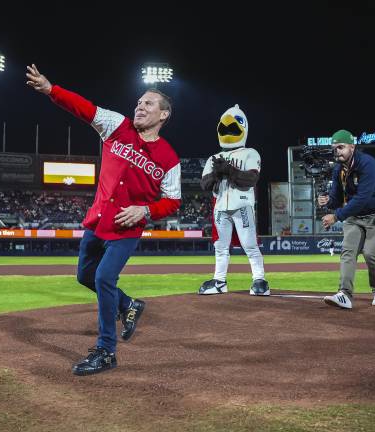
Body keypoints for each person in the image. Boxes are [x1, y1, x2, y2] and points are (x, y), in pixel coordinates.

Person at [27, 64, 181, 376]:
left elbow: (173, 200)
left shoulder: (169, 158)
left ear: (163, 114)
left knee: (103, 278)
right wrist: (51, 90)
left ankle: (106, 350)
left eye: (148, 103)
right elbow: (84, 108)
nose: (139, 106)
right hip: (98, 222)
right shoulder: (117, 126)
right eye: (138, 102)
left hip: (126, 228)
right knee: (85, 276)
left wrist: (145, 211)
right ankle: (129, 305)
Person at [318, 130, 375, 309]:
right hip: (356, 216)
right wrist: (328, 201)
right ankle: (344, 295)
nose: (337, 151)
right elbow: (337, 199)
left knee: (371, 253)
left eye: (341, 147)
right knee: (348, 252)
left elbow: (363, 198)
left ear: (352, 147)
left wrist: (336, 216)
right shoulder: (339, 169)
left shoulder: (367, 164)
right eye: (334, 148)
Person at [199, 105, 268, 296]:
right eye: (225, 128)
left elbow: (251, 179)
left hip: (242, 205)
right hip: (220, 207)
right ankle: (219, 281)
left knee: (250, 245)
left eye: (233, 128)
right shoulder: (214, 157)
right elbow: (204, 184)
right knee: (220, 247)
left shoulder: (250, 153)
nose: (228, 131)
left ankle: (259, 280)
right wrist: (216, 173)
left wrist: (228, 170)